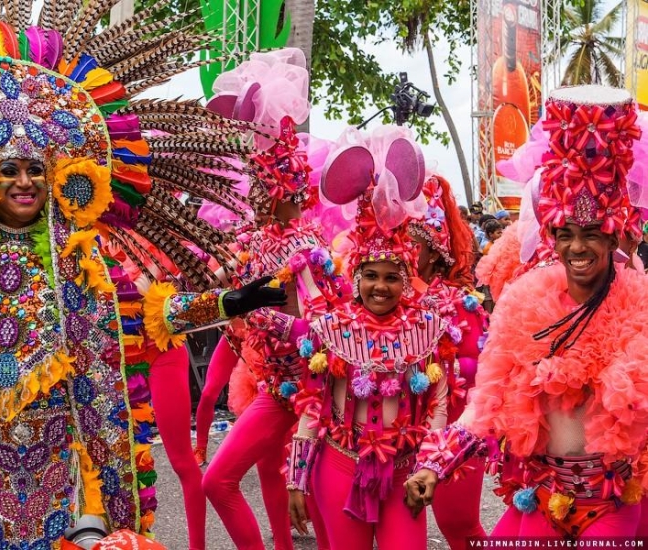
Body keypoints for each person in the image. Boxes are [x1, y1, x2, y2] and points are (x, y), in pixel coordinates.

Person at [0, 3, 286, 548]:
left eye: (35, 170)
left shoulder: (78, 260)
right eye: (9, 170)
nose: (24, 182)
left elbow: (146, 317)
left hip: (58, 454)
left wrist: (229, 303)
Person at [406, 85, 648, 541]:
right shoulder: (524, 303)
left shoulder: (640, 305)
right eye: (566, 234)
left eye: (591, 234)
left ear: (612, 238)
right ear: (551, 238)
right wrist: (435, 464)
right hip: (542, 494)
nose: (577, 247)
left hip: (613, 502)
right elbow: (487, 401)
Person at [286, 129, 447, 550]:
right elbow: (313, 406)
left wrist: (429, 467)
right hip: (339, 466)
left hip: (404, 473)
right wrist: (296, 479)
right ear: (356, 279)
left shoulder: (426, 328)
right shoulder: (332, 329)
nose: (381, 287)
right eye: (371, 276)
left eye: (392, 277)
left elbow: (438, 405)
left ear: (405, 280)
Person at [201, 117, 344, 550]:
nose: (254, 196)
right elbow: (215, 285)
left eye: (262, 185)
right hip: (276, 389)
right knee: (218, 480)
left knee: (315, 503)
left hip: (316, 397)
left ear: (284, 189)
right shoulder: (258, 241)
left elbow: (327, 332)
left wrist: (267, 319)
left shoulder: (308, 250)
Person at [406, 175, 487, 550]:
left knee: (458, 524)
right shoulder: (389, 298)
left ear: (435, 251)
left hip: (455, 429)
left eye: (413, 243)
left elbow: (478, 371)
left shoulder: (460, 303)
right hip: (399, 432)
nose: (404, 251)